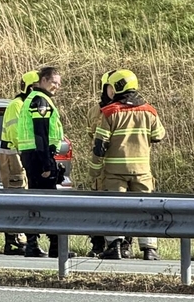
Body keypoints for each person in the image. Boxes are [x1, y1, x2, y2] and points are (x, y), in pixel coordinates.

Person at [91, 70, 166, 261]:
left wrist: (95, 168)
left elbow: (100, 144)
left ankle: (115, 245)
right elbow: (159, 135)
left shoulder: (109, 112)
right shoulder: (149, 111)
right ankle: (149, 249)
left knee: (115, 208)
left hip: (115, 172)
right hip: (142, 171)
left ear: (116, 87)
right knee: (146, 210)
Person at [17, 66, 73, 258]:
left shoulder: (34, 99)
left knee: (38, 201)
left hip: (33, 155)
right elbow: (40, 133)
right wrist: (47, 163)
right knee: (47, 203)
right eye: (53, 82)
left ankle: (41, 244)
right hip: (38, 156)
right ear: (42, 81)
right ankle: (51, 245)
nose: (56, 86)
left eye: (58, 83)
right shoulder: (41, 101)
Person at [0, 69, 39, 255]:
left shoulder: (30, 105)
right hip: (14, 156)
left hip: (23, 155)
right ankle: (14, 239)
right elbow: (16, 134)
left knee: (23, 197)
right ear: (29, 88)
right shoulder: (18, 105)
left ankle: (19, 238)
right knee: (16, 197)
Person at [85, 70, 116, 257]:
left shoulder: (129, 110)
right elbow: (92, 137)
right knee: (97, 206)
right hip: (101, 167)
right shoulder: (95, 111)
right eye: (111, 88)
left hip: (117, 170)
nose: (114, 92)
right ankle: (97, 244)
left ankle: (122, 244)